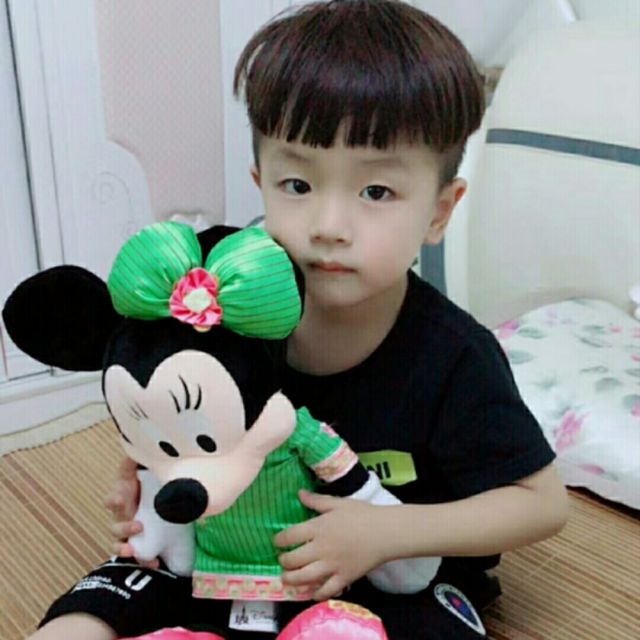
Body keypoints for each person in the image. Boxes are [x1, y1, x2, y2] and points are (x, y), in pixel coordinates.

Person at [29, 1, 569, 639]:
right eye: (298, 185)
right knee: (104, 600)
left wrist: (388, 533)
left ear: (439, 212)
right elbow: (171, 408)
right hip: (229, 550)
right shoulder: (224, 306)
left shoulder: (454, 355)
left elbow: (541, 505)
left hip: (394, 570)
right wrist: (152, 474)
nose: (328, 226)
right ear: (261, 180)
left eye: (376, 192)